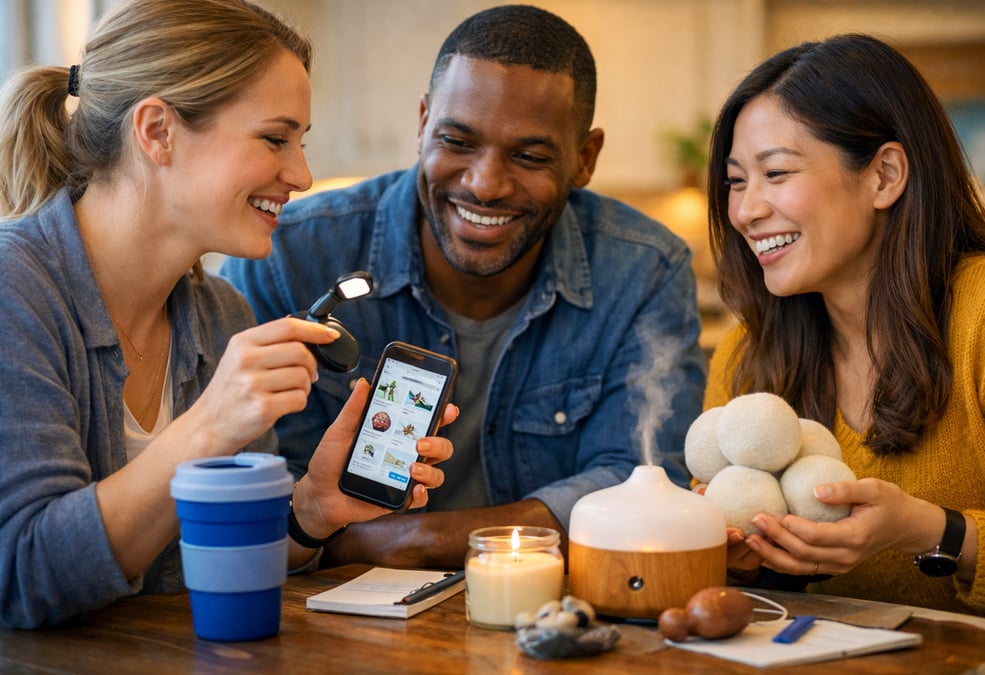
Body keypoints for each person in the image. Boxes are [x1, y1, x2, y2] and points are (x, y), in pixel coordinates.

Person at [0, 0, 455, 630]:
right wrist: (209, 425)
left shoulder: (221, 316)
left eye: (301, 142)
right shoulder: (16, 289)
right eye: (274, 138)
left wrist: (311, 509)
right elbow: (21, 576)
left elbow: (221, 562)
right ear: (157, 131)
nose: (302, 174)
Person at [222, 4, 707, 570]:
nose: (485, 184)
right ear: (423, 122)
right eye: (456, 141)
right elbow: (252, 487)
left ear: (585, 158)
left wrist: (414, 541)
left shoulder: (645, 270)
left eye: (529, 156)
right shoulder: (288, 257)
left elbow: (641, 481)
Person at [703, 33, 985, 616]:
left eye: (776, 172)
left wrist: (929, 530)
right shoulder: (748, 352)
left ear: (884, 176)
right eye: (737, 181)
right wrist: (742, 556)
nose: (745, 210)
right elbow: (749, 597)